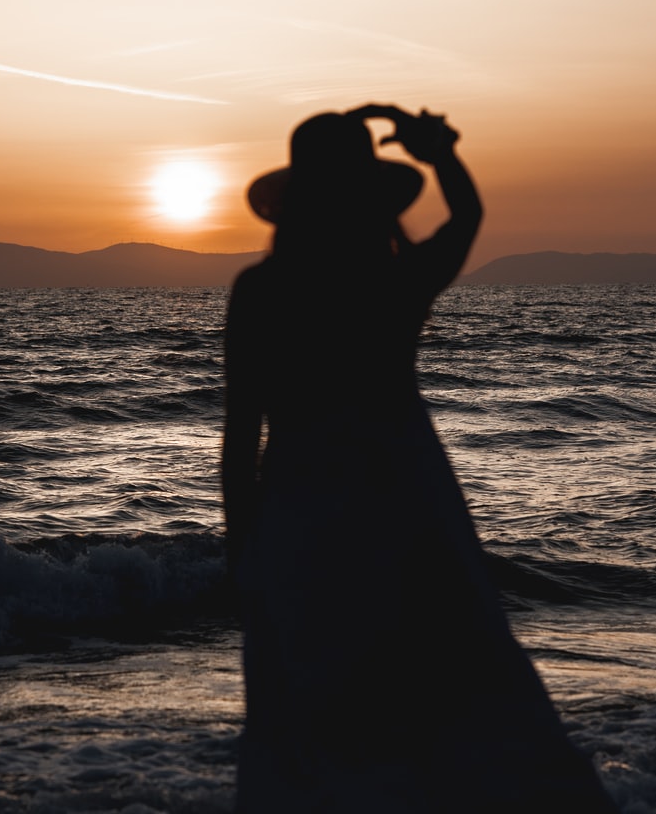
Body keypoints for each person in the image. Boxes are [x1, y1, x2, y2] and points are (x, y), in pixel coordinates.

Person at [221, 106, 617, 813]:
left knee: (310, 709)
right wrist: (437, 149)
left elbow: (239, 436)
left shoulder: (263, 290)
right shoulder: (394, 281)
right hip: (406, 500)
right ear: (371, 196)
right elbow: (467, 214)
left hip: (301, 511)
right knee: (451, 685)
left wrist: (241, 550)